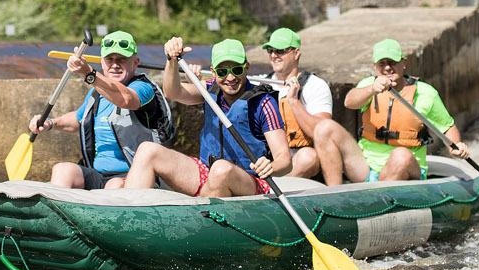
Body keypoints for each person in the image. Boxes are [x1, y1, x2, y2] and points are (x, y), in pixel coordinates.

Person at [124, 36, 291, 197]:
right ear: (213, 72)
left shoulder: (264, 103)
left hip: (249, 180)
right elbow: (172, 92)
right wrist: (172, 60)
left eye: (237, 70)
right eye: (222, 71)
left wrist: (271, 166)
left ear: (247, 67)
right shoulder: (208, 90)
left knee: (221, 170)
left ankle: (197, 213)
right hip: (208, 172)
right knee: (148, 150)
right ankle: (129, 216)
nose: (231, 77)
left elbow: (285, 161)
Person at [27, 30, 172, 190]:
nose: (115, 65)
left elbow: (126, 99)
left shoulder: (143, 88)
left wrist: (88, 73)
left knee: (114, 185)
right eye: (110, 59)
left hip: (131, 175)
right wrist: (50, 123)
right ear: (102, 62)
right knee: (62, 170)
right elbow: (79, 118)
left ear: (135, 63)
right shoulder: (96, 93)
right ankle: (57, 213)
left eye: (122, 59)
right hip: (97, 174)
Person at [314, 38, 470, 184]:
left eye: (392, 62)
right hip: (366, 167)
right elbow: (349, 102)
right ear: (375, 67)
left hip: (406, 167)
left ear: (403, 64)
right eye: (382, 63)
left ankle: (378, 199)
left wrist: (456, 145)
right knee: (324, 128)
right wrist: (371, 90)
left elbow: (447, 126)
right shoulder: (368, 84)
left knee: (400, 156)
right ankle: (335, 195)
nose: (387, 67)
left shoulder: (425, 93)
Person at [262, 27, 333, 179]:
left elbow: (322, 132)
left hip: (298, 157)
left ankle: (277, 186)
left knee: (309, 156)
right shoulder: (259, 82)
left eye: (280, 51)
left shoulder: (315, 86)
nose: (274, 55)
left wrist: (293, 101)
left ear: (296, 53)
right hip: (269, 158)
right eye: (270, 50)